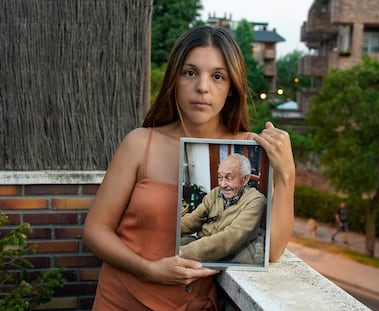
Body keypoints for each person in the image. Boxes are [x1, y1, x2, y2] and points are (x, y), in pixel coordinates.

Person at [83, 25, 295, 311]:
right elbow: (96, 230)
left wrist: (287, 174)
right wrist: (148, 268)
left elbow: (271, 251)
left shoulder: (249, 149)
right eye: (190, 72)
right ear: (175, 79)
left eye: (217, 76)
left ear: (232, 86)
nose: (203, 87)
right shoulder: (139, 143)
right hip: (122, 298)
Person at [180, 153, 266, 264]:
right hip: (202, 243)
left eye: (229, 178)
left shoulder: (255, 200)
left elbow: (230, 238)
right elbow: (192, 220)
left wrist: (183, 252)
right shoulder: (215, 193)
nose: (222, 184)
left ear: (245, 179)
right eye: (220, 177)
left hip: (229, 254)